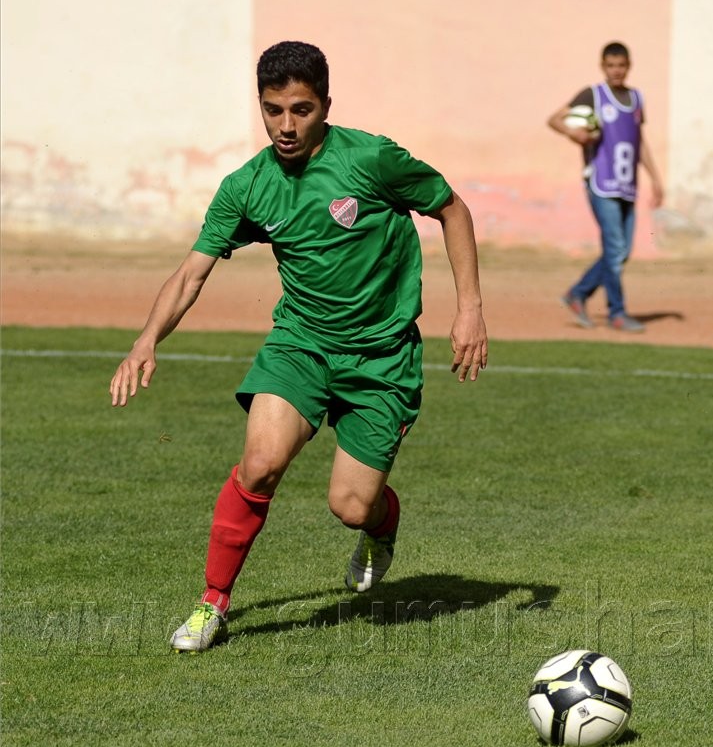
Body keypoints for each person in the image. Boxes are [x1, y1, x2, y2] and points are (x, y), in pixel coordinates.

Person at [108, 41, 488, 652]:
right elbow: (191, 273)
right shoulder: (248, 186)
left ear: (326, 106)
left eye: (301, 110)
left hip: (381, 356)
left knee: (351, 505)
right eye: (273, 110)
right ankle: (212, 605)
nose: (286, 126)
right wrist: (145, 340)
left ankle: (379, 527)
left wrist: (469, 308)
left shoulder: (371, 159)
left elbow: (452, 208)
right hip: (301, 345)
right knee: (259, 464)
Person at [548, 41, 663, 333]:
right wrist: (575, 133)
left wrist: (655, 177)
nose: (616, 71)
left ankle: (578, 293)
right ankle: (617, 313)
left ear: (628, 66)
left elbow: (640, 142)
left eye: (621, 66)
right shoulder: (593, 95)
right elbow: (555, 120)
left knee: (621, 252)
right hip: (601, 183)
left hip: (627, 184)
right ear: (603, 66)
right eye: (611, 66)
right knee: (615, 248)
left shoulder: (636, 99)